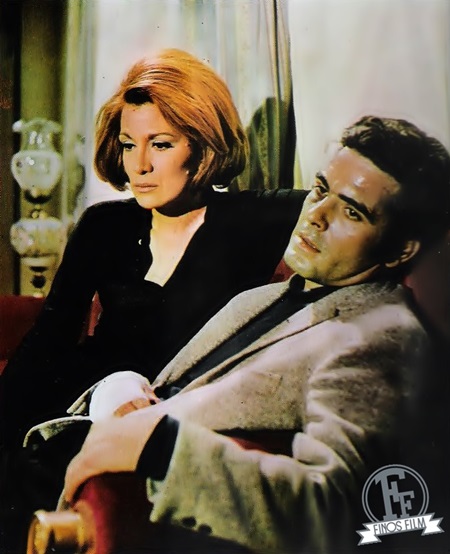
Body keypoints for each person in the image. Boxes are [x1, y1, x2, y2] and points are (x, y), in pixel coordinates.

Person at [58, 116, 450, 554]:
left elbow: (339, 511)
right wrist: (122, 386)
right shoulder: (264, 298)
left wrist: (161, 450)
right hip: (81, 452)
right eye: (320, 191)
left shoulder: (382, 335)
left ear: (401, 249)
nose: (316, 217)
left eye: (352, 211)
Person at [0, 48, 305, 451]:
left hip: (176, 422)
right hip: (86, 403)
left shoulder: (254, 219)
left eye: (160, 145)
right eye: (129, 145)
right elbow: (48, 340)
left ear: (203, 145)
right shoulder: (103, 224)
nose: (139, 165)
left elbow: (346, 203)